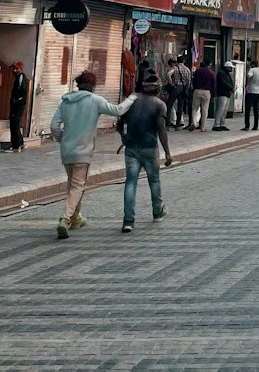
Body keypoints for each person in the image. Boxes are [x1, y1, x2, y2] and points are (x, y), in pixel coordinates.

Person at [50, 71, 137, 240]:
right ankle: (65, 219)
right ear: (92, 86)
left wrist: (64, 139)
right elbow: (118, 110)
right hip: (83, 150)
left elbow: (54, 126)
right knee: (77, 186)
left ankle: (76, 219)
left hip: (66, 151)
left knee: (73, 185)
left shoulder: (66, 101)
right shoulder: (94, 100)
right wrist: (132, 98)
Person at [117, 72, 170, 234]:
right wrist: (167, 153)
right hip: (149, 148)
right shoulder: (160, 104)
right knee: (154, 180)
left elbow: (119, 124)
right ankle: (157, 211)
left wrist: (124, 137)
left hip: (131, 148)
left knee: (130, 182)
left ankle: (128, 220)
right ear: (158, 89)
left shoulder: (131, 102)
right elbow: (161, 129)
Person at [7, 61, 29, 151]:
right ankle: (20, 143)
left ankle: (15, 146)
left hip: (18, 105)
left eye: (16, 69)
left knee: (14, 124)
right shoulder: (19, 77)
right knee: (15, 123)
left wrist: (17, 100)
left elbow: (22, 90)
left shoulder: (21, 77)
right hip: (18, 104)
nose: (14, 70)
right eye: (13, 69)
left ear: (20, 69)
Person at [191, 61, 215, 131]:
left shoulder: (197, 71)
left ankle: (194, 123)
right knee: (204, 109)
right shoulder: (211, 72)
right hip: (206, 91)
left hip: (197, 90)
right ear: (209, 65)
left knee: (194, 108)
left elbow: (194, 81)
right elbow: (213, 84)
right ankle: (203, 127)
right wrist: (213, 95)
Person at [213, 61, 235, 130]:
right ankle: (216, 124)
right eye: (230, 68)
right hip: (222, 93)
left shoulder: (227, 74)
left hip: (227, 93)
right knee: (221, 109)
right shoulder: (221, 73)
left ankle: (222, 123)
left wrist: (231, 88)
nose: (231, 69)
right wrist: (230, 88)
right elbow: (223, 83)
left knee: (225, 110)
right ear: (227, 67)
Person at [164, 58, 183, 127]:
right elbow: (188, 80)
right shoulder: (186, 69)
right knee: (180, 106)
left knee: (170, 105)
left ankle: (168, 124)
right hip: (183, 88)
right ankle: (178, 123)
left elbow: (168, 74)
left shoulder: (174, 68)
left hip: (175, 87)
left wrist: (171, 83)